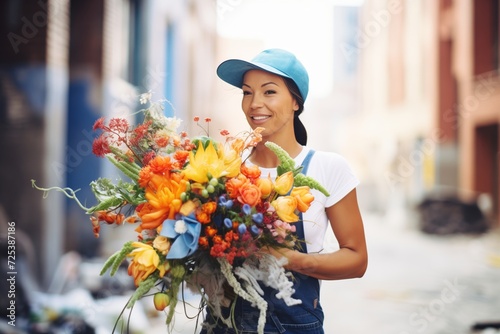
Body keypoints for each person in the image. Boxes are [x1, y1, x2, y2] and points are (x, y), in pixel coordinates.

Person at [201, 48, 368, 334]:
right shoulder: (223, 167)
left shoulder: (326, 168)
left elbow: (356, 260)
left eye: (269, 92)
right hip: (222, 324)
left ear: (295, 102)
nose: (255, 104)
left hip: (292, 326)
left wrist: (293, 260)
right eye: (247, 92)